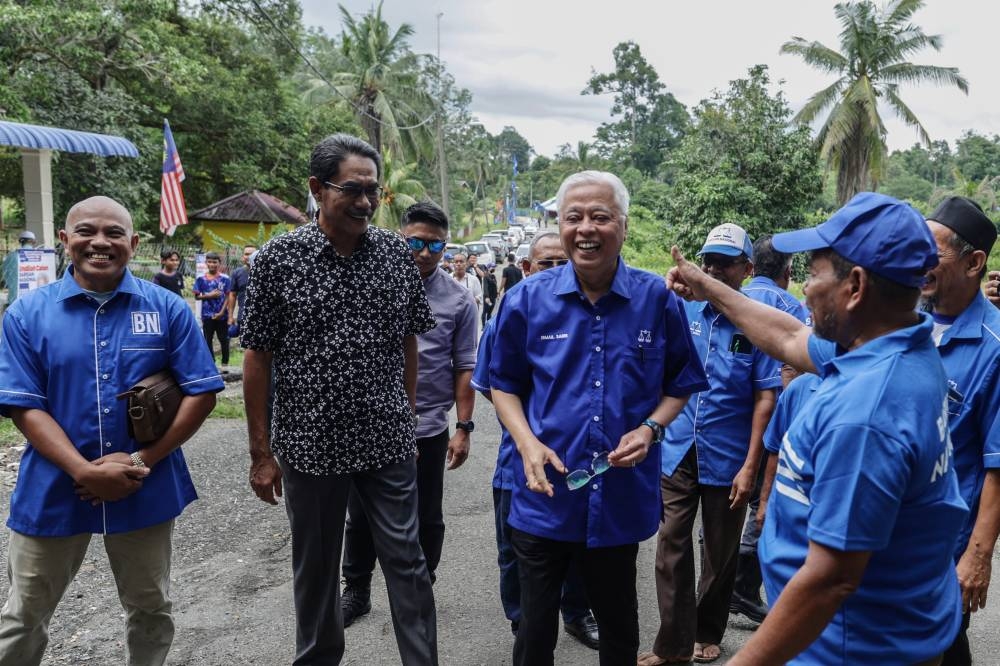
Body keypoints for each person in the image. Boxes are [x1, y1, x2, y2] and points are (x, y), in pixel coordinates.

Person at [666, 192, 968, 665]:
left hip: (849, 648)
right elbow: (787, 336)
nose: (803, 288)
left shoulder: (866, 413)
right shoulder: (892, 343)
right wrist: (711, 289)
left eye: (813, 272)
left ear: (856, 287)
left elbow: (831, 581)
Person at [489, 171, 708, 665]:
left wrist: (652, 428)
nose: (586, 228)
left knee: (619, 625)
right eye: (574, 217)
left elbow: (680, 383)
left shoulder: (657, 300)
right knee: (534, 631)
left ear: (623, 228)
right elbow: (502, 383)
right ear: (561, 226)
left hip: (618, 499)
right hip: (543, 496)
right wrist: (526, 442)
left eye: (600, 217)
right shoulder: (526, 299)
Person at [241, 133, 438, 665]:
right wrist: (262, 453)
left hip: (386, 439)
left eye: (373, 192)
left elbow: (408, 340)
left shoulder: (396, 256)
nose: (365, 202)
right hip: (310, 445)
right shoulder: (278, 260)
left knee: (408, 562)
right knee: (317, 568)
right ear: (316, 188)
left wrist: (408, 418)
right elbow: (255, 357)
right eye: (352, 189)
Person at [0, 196, 223, 666]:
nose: (99, 242)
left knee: (150, 609)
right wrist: (84, 469)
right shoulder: (26, 314)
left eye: (113, 233)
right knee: (24, 615)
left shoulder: (167, 309)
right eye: (85, 231)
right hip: (54, 487)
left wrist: (143, 459)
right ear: (64, 241)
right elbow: (24, 405)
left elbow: (201, 392)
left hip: (146, 483)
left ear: (133, 242)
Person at [643, 224, 780, 666]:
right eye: (708, 261)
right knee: (671, 548)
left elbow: (765, 397)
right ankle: (673, 644)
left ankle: (707, 630)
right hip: (678, 446)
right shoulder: (682, 309)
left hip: (730, 454)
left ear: (747, 269)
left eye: (725, 262)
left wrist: (751, 466)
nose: (713, 269)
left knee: (720, 555)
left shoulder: (755, 319)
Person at [341, 201, 478, 625]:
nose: (423, 252)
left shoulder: (458, 300)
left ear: (444, 247)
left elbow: (464, 367)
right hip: (372, 423)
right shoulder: (367, 284)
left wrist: (464, 427)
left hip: (428, 427)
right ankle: (357, 590)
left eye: (434, 244)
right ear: (401, 238)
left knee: (427, 515)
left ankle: (422, 587)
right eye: (415, 241)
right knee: (360, 514)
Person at [472, 230, 599, 651]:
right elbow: (493, 383)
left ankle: (577, 614)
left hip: (576, 461)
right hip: (518, 460)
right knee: (513, 551)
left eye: (564, 262)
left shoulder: (587, 312)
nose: (559, 271)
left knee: (580, 545)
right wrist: (529, 428)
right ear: (527, 267)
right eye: (548, 263)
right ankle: (521, 620)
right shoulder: (513, 309)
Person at [919, 196, 1000, 666]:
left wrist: (977, 556)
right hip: (890, 541)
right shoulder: (905, 321)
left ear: (974, 263)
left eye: (934, 253)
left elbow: (997, 465)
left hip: (944, 552)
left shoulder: (994, 348)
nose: (920, 263)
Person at [728, 234, 809, 627]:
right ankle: (743, 587)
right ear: (789, 272)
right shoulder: (793, 311)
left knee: (722, 509)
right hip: (772, 425)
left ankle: (722, 588)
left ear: (751, 267)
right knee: (766, 503)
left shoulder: (731, 300)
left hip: (723, 429)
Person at [192, 251, 231, 368]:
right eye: (209, 262)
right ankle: (211, 363)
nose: (212, 264)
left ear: (219, 263)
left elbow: (228, 296)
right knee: (208, 340)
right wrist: (209, 295)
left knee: (224, 339)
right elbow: (197, 296)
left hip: (222, 315)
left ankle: (225, 364)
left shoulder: (225, 279)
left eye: (215, 262)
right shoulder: (201, 279)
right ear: (206, 263)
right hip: (207, 315)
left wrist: (222, 312)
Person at [1, 230, 37, 307]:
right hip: (34, 299)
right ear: (32, 241)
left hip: (14, 298)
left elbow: (4, 272)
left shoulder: (11, 256)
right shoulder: (38, 256)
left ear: (20, 241)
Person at [226, 244, 257, 337]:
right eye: (246, 254)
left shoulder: (265, 271)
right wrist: (230, 316)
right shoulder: (237, 273)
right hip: (243, 316)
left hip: (261, 317)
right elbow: (232, 295)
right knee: (246, 345)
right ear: (243, 257)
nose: (249, 256)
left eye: (252, 254)